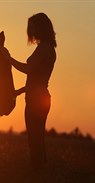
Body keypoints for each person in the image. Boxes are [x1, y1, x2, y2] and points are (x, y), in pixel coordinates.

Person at [5, 13, 57, 168]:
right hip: (40, 97)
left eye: (33, 26)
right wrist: (18, 92)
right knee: (37, 139)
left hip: (36, 99)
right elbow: (37, 80)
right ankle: (41, 173)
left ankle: (37, 173)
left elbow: (29, 69)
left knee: (34, 140)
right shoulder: (50, 48)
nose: (30, 30)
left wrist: (9, 59)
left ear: (40, 27)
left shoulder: (43, 48)